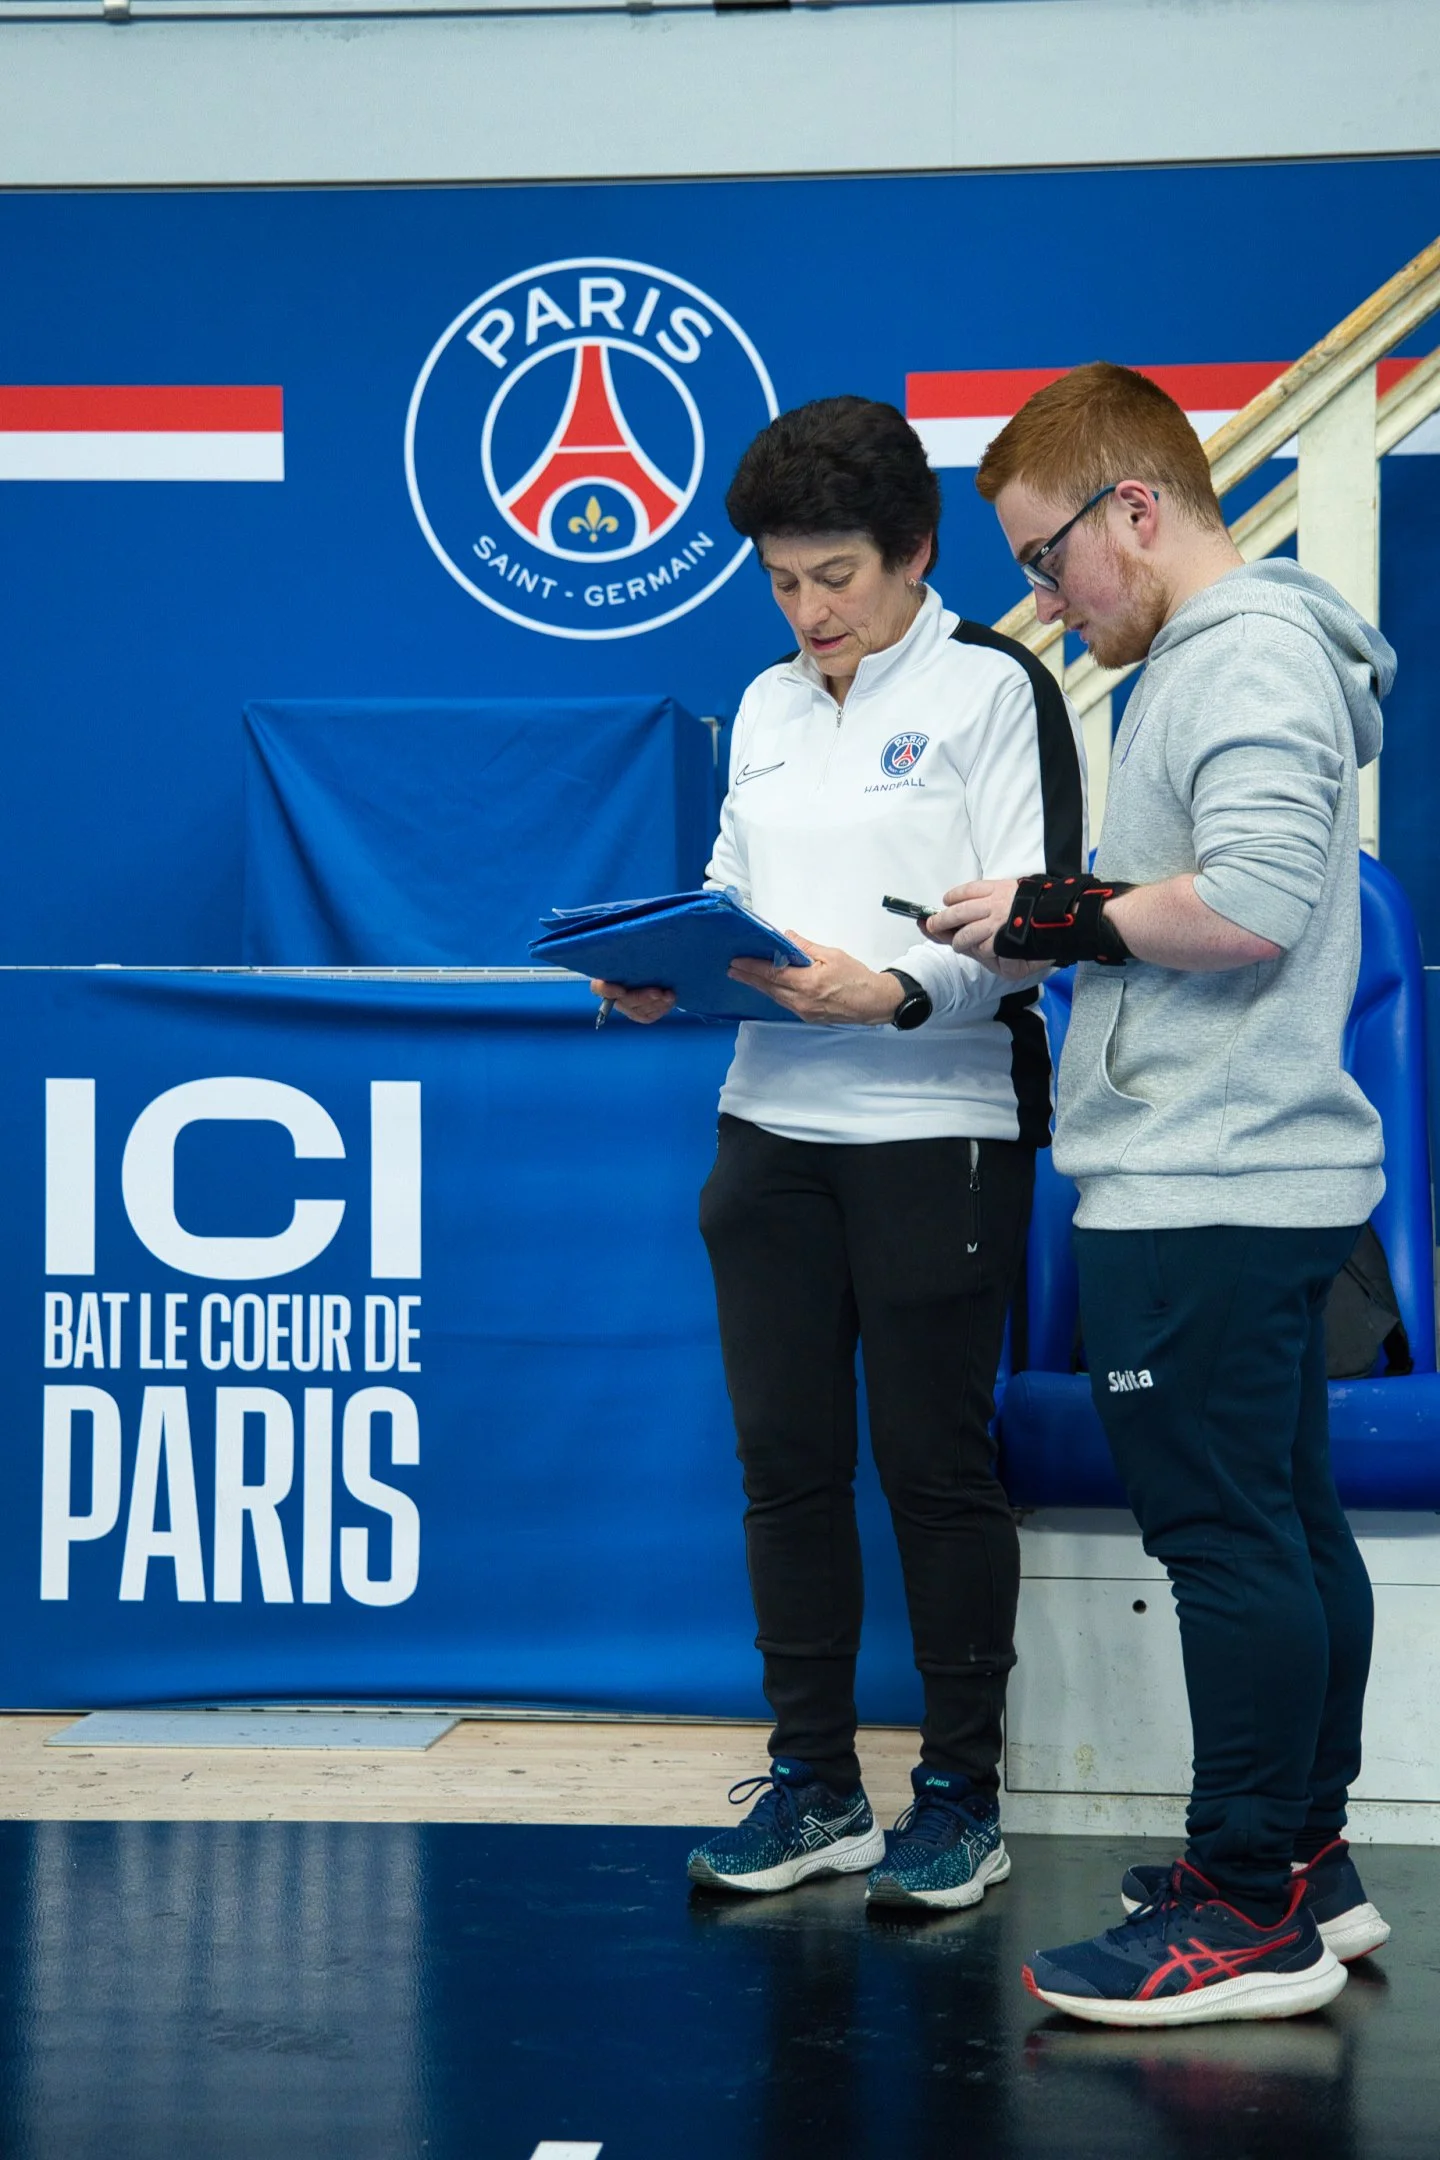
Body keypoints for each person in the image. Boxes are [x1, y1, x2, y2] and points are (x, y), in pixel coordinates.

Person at [933, 361, 1394, 2022]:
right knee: (1282, 1528)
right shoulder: (1237, 656)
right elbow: (1236, 885)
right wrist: (1070, 910)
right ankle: (1305, 1868)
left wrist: (1057, 916)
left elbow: (1260, 900)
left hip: (1211, 1176)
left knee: (1228, 1546)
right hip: (1248, 1170)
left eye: (1050, 558)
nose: (1045, 600)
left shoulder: (1237, 655)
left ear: (1136, 508)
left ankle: (1243, 1907)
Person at [593, 394, 1086, 1908]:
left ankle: (959, 1796)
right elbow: (738, 887)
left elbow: (1036, 922)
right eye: (783, 583)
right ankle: (816, 1787)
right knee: (783, 1465)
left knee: (933, 1466)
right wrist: (665, 962)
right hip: (768, 1130)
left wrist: (894, 993)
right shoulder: (761, 703)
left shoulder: (1001, 689)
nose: (809, 613)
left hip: (939, 1124)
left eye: (837, 581)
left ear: (916, 555)